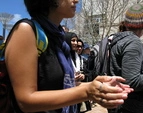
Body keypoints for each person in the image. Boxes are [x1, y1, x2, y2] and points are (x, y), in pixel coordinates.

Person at [4, 0, 133, 113]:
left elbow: (64, 86)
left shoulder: (58, 38)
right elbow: (25, 101)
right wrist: (87, 91)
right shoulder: (26, 31)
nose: (76, 1)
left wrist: (97, 85)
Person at [109, 4, 143, 113]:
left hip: (126, 106)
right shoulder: (133, 42)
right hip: (134, 107)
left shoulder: (120, 40)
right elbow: (132, 81)